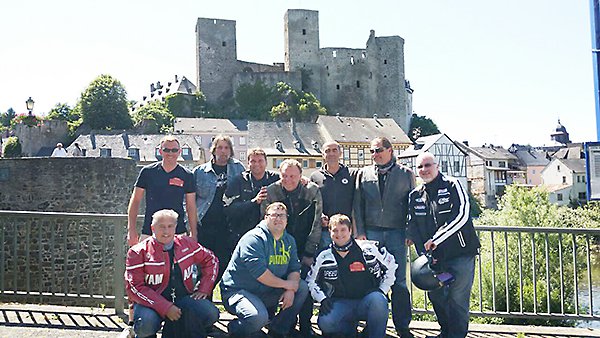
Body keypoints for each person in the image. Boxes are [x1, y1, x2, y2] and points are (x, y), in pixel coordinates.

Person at [124, 135, 197, 337]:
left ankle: (173, 318)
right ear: (160, 151)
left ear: (179, 152)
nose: (171, 154)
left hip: (177, 233)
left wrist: (193, 235)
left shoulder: (186, 175)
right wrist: (132, 231)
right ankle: (133, 322)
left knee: (177, 275)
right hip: (150, 232)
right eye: (167, 150)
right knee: (140, 276)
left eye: (174, 150)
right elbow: (135, 201)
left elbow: (191, 207)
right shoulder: (148, 172)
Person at [407, 152, 480, 338]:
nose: (424, 170)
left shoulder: (452, 185)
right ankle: (445, 333)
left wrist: (437, 239)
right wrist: (423, 252)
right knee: (436, 296)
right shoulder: (415, 195)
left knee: (457, 299)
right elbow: (412, 225)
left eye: (428, 165)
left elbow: (462, 215)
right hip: (436, 259)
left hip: (461, 254)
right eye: (420, 167)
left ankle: (456, 335)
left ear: (437, 166)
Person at [354, 136, 416, 338]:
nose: (375, 154)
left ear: (390, 150)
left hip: (397, 233)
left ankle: (402, 326)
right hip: (371, 233)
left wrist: (410, 231)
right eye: (371, 151)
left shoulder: (406, 174)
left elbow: (413, 206)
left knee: (398, 281)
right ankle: (372, 324)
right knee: (372, 279)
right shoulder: (363, 173)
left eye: (378, 150)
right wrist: (360, 232)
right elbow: (358, 205)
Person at [125, 209, 219, 338]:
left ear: (175, 227)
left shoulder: (187, 243)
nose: (166, 231)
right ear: (152, 228)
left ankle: (176, 330)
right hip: (150, 303)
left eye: (170, 226)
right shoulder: (137, 252)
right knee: (146, 324)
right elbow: (134, 287)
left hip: (182, 299)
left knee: (211, 313)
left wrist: (204, 288)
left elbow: (211, 259)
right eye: (161, 226)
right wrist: (166, 307)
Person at [220, 202, 309, 338]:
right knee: (257, 318)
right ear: (265, 218)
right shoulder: (253, 239)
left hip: (266, 291)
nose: (278, 219)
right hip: (239, 292)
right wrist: (287, 285)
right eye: (274, 215)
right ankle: (235, 328)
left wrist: (291, 289)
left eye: (282, 216)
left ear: (287, 220)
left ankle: (278, 330)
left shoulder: (289, 240)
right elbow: (260, 274)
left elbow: (294, 268)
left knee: (301, 287)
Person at [307, 214, 397, 338]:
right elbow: (311, 281)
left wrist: (383, 290)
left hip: (367, 301)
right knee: (326, 322)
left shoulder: (369, 249)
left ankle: (373, 333)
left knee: (379, 300)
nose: (339, 234)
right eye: (335, 230)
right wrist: (322, 298)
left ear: (350, 230)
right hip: (340, 303)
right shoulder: (323, 256)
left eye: (343, 229)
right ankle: (350, 332)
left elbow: (391, 267)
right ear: (329, 232)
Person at [262, 159, 322, 336]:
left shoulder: (312, 191)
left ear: (300, 175)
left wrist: (310, 251)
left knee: (305, 286)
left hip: (304, 243)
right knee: (276, 285)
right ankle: (275, 324)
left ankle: (305, 325)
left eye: (293, 176)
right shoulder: (272, 191)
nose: (289, 179)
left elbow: (317, 222)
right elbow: (266, 222)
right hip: (278, 245)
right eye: (285, 176)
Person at [193, 135, 245, 283]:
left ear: (231, 151)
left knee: (224, 264)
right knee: (203, 265)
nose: (223, 151)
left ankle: (214, 294)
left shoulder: (238, 168)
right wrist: (190, 224)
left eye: (226, 148)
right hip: (204, 225)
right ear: (213, 150)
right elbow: (189, 199)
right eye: (220, 148)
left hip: (227, 226)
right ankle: (203, 299)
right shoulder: (200, 171)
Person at [224, 148, 280, 246]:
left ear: (266, 162)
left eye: (260, 161)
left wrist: (303, 180)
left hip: (271, 233)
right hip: (243, 233)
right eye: (253, 161)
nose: (256, 164)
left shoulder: (275, 178)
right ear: (248, 164)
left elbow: (291, 179)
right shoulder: (239, 180)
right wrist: (254, 202)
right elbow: (229, 209)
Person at [310, 141, 358, 247]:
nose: (331, 154)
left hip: (347, 230)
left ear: (340, 153)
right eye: (327, 151)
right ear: (323, 155)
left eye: (334, 150)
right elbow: (313, 202)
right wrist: (320, 216)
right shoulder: (315, 176)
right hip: (326, 231)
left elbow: (357, 202)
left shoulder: (352, 174)